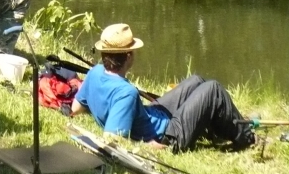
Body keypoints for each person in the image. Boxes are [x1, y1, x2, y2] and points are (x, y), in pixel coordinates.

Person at [71, 23, 255, 153]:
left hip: (150, 115)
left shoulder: (95, 72)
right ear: (128, 56)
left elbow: (76, 108)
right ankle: (248, 137)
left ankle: (216, 130)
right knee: (213, 89)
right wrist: (147, 146)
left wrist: (101, 105)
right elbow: (112, 140)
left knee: (196, 80)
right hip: (168, 135)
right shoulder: (126, 93)